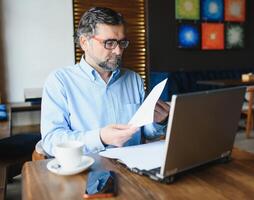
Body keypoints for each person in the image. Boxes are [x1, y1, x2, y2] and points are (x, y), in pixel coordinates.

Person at [41, 7, 170, 156]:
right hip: (87, 170)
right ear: (84, 42)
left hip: (133, 168)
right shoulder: (60, 81)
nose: (118, 51)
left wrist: (159, 122)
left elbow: (145, 133)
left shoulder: (134, 79)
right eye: (109, 43)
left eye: (122, 43)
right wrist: (100, 138)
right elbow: (51, 141)